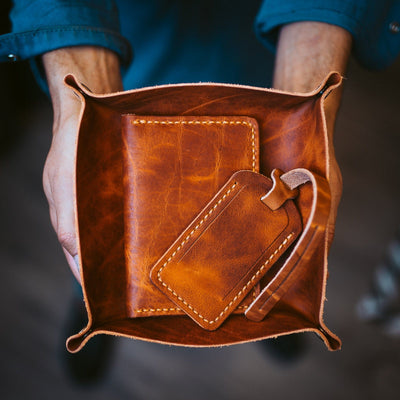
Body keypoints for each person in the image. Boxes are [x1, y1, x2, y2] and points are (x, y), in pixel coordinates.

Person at [1, 0, 399, 382]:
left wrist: (306, 100)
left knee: (273, 216)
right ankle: (95, 307)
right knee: (108, 211)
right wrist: (80, 100)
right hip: (128, 32)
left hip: (260, 37)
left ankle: (274, 305)